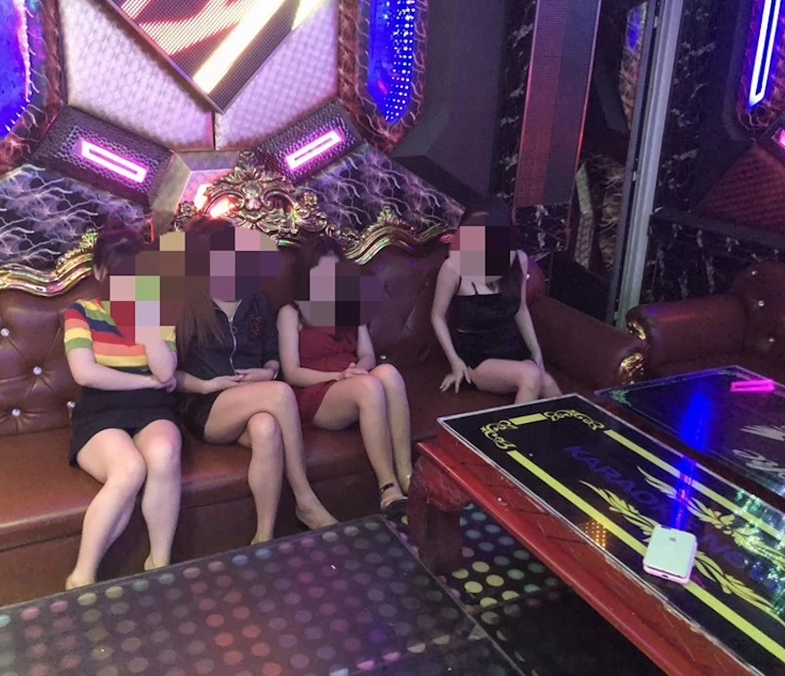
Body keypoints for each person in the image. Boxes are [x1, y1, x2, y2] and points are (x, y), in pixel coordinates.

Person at [173, 218, 338, 544]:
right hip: (205, 404)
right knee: (280, 395)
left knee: (266, 428)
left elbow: (271, 354)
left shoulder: (256, 301)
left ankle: (263, 536)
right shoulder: (186, 304)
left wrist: (269, 371)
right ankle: (305, 499)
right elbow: (168, 374)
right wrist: (206, 385)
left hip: (254, 397)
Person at [63, 224, 183, 590]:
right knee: (129, 469)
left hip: (151, 409)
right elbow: (85, 373)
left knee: (163, 453)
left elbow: (166, 371)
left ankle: (159, 563)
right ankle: (81, 577)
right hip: (101, 411)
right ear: (99, 272)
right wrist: (146, 381)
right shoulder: (81, 312)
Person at [276, 237, 412, 511]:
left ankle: (407, 475)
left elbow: (367, 354)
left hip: (353, 380)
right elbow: (291, 373)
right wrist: (339, 377)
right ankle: (388, 487)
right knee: (369, 387)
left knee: (389, 373)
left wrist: (358, 370)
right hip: (316, 391)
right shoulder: (291, 313)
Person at [431, 202, 562, 403]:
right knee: (530, 375)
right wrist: (455, 362)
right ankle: (513, 426)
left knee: (549, 384)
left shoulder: (519, 260)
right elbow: (437, 316)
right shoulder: (453, 268)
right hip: (477, 356)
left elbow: (520, 309)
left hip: (512, 349)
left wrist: (536, 352)